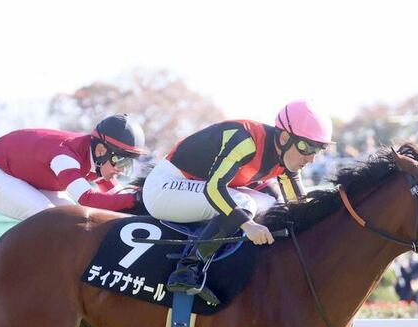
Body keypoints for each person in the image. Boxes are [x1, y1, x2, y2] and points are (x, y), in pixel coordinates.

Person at [141, 99, 333, 301]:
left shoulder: (287, 159)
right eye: (306, 147)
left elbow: (298, 208)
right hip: (164, 188)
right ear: (284, 137)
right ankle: (188, 268)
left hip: (194, 188)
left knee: (271, 205)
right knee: (245, 205)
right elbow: (214, 189)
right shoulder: (246, 140)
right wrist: (248, 225)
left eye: (318, 150)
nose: (311, 158)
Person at [0, 115, 146, 220]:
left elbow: (118, 196)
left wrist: (137, 199)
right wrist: (136, 198)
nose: (122, 169)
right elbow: (88, 199)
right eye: (121, 161)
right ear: (101, 150)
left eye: (128, 163)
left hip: (23, 173)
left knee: (75, 217)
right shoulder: (65, 157)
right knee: (50, 217)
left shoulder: (96, 157)